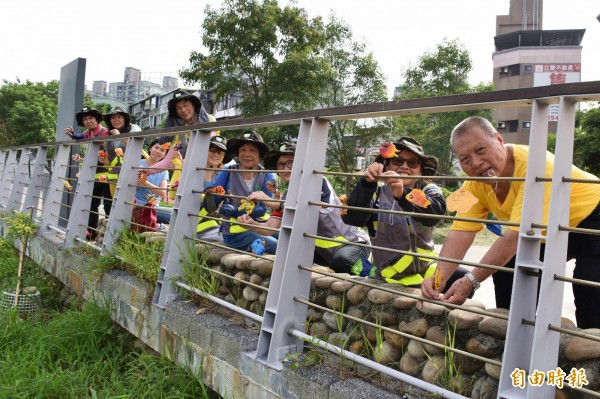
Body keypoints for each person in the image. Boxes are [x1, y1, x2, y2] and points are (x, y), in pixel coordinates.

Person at [420, 116, 600, 329]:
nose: (476, 163)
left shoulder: (537, 167)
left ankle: (591, 353)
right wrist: (438, 279)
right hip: (546, 228)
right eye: (465, 159)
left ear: (498, 139)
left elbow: (514, 237)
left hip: (593, 218)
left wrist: (471, 280)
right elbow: (460, 232)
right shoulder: (472, 186)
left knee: (589, 285)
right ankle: (511, 334)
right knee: (508, 271)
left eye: (481, 150)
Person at [343, 137, 469, 287]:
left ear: (420, 170)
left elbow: (435, 215)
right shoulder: (375, 193)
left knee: (463, 278)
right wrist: (366, 184)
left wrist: (403, 195)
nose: (404, 166)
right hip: (386, 275)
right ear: (387, 165)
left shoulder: (428, 189)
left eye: (412, 163)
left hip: (426, 272)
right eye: (397, 161)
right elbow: (352, 219)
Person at [239, 142, 371, 272]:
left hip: (352, 243)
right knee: (289, 258)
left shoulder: (319, 181)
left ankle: (369, 272)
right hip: (322, 252)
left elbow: (316, 210)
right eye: (280, 164)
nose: (285, 168)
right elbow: (271, 227)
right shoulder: (288, 195)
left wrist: (275, 203)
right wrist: (251, 224)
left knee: (342, 262)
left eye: (290, 162)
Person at [210, 130, 278, 254]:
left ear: (260, 154)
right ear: (237, 152)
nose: (246, 154)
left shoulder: (267, 175)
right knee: (277, 246)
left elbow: (262, 208)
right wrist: (211, 192)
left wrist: (234, 210)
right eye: (243, 150)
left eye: (252, 150)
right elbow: (213, 203)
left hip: (262, 226)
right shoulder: (228, 171)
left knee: (288, 238)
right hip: (235, 231)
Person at [64, 106, 112, 240]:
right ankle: (92, 231)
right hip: (94, 174)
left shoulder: (105, 132)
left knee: (108, 204)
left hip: (107, 174)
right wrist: (73, 134)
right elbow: (81, 136)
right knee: (92, 204)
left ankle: (108, 234)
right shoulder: (89, 133)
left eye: (91, 118)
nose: (88, 121)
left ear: (97, 119)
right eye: (85, 119)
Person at [195, 135, 233, 242]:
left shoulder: (224, 176)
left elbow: (223, 209)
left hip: (215, 226)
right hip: (194, 226)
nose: (216, 154)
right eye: (212, 150)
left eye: (220, 152)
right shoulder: (194, 170)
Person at [103, 107, 141, 196]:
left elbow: (137, 145)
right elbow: (110, 159)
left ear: (125, 119)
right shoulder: (108, 134)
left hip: (132, 176)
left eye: (119, 117)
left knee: (132, 206)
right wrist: (104, 160)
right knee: (115, 206)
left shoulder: (134, 128)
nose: (116, 120)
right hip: (114, 177)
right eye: (113, 117)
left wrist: (120, 136)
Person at [136, 139, 171, 227]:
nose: (158, 151)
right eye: (156, 148)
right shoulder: (137, 164)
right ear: (151, 148)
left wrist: (145, 183)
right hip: (136, 205)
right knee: (169, 218)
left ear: (165, 155)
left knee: (174, 216)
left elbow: (163, 192)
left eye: (162, 150)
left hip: (153, 207)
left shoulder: (164, 171)